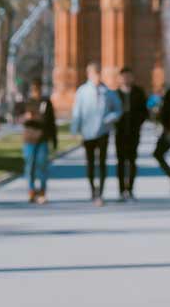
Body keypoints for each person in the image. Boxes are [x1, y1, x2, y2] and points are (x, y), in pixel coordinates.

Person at [70, 62, 122, 206]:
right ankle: (93, 190)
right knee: (91, 163)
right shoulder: (82, 91)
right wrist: (75, 130)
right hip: (88, 133)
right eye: (94, 73)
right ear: (89, 75)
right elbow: (77, 112)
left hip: (103, 132)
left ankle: (101, 193)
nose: (97, 76)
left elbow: (118, 110)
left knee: (102, 163)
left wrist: (109, 119)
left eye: (99, 73)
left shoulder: (108, 92)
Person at [20, 79, 58, 204]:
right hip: (29, 139)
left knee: (42, 166)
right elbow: (20, 118)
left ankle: (42, 191)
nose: (36, 92)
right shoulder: (27, 102)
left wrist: (54, 139)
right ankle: (31, 191)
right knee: (30, 166)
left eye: (38, 89)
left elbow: (51, 122)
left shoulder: (46, 103)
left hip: (42, 138)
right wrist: (27, 117)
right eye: (34, 89)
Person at [114, 67, 148, 201]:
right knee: (121, 162)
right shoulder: (115, 94)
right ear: (120, 78)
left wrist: (138, 122)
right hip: (120, 133)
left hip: (134, 132)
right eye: (124, 76)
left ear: (132, 77)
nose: (126, 79)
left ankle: (131, 189)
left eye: (129, 76)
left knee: (132, 161)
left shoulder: (139, 93)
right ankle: (121, 190)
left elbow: (144, 112)